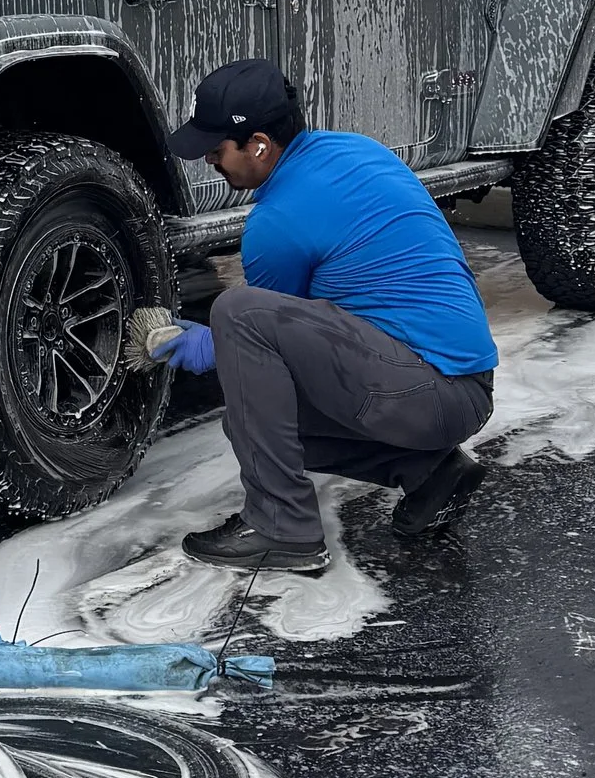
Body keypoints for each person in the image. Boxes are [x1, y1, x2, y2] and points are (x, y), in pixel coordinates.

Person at [152, 58, 498, 577]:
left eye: (217, 149)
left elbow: (264, 352)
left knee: (239, 317)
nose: (209, 160)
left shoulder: (277, 223)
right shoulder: (353, 150)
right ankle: (430, 472)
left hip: (428, 391)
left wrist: (208, 344)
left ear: (259, 145)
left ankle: (281, 527)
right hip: (465, 384)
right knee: (255, 421)